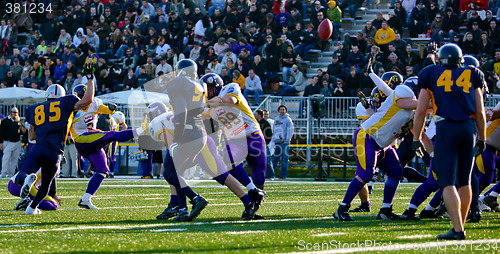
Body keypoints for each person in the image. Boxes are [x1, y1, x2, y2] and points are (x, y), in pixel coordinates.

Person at [413, 44, 486, 240]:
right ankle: (459, 226)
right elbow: (480, 112)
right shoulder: (473, 73)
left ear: (440, 59)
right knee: (465, 180)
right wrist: (482, 137)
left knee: (447, 182)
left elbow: (420, 111)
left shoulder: (430, 73)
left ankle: (458, 229)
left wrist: (416, 137)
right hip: (468, 128)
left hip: (446, 128)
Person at [18, 64, 95, 215]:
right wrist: (90, 79)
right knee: (46, 184)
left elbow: (32, 136)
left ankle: (27, 179)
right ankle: (32, 208)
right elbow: (87, 100)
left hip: (38, 148)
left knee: (21, 174)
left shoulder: (35, 108)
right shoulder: (67, 101)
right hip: (55, 152)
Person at [69, 83, 140, 209]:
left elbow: (106, 110)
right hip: (81, 139)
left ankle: (86, 199)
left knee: (103, 170)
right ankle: (140, 131)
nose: (83, 99)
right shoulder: (72, 110)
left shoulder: (94, 103)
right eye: (81, 97)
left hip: (91, 139)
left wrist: (111, 109)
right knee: (113, 135)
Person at [205, 79, 267, 219]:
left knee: (259, 175)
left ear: (215, 87)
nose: (206, 94)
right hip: (235, 140)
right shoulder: (209, 107)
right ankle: (252, 191)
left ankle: (253, 207)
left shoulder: (229, 88)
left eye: (208, 90)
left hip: (252, 135)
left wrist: (208, 103)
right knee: (228, 156)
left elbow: (231, 100)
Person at [164, 59, 210, 221]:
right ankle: (183, 210)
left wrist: (176, 138)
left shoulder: (178, 83)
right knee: (178, 172)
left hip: (187, 133)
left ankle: (196, 199)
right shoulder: (199, 84)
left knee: (169, 172)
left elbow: (181, 112)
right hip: (199, 132)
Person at [0, 107, 25, 178]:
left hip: (17, 142)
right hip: (8, 142)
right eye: (14, 112)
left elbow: (21, 132)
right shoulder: (5, 121)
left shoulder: (18, 121)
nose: (15, 114)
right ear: (10, 113)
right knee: (6, 158)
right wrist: (1, 142)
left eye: (16, 112)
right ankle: (4, 173)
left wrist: (23, 130)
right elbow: (1, 132)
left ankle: (11, 173)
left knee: (15, 158)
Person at [271, 105, 294, 179]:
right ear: (278, 111)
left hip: (284, 143)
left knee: (284, 160)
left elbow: (290, 131)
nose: (282, 111)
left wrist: (287, 140)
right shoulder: (276, 119)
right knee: (274, 160)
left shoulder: (288, 119)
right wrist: (274, 140)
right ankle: (271, 175)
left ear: (286, 111)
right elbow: (274, 130)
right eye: (281, 109)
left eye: (283, 109)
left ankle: (283, 175)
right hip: (277, 142)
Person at [255, 110, 274, 179]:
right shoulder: (255, 123)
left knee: (268, 160)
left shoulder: (266, 123)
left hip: (264, 144)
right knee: (257, 161)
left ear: (259, 115)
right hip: (256, 144)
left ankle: (271, 175)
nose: (255, 115)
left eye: (256, 114)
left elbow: (269, 134)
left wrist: (265, 142)